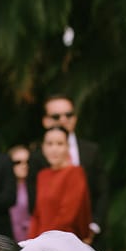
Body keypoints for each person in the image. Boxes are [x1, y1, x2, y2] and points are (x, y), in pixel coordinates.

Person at [27, 94, 108, 243]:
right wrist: (33, 242)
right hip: (43, 240)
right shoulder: (40, 167)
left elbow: (100, 193)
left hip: (73, 239)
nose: (64, 120)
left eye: (68, 115)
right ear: (46, 120)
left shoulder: (84, 161)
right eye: (57, 116)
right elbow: (36, 210)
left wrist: (93, 227)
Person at [27, 126, 92, 240]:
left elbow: (67, 217)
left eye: (60, 144)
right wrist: (31, 242)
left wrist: (44, 242)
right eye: (49, 144)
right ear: (43, 147)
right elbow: (37, 214)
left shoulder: (75, 173)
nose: (54, 149)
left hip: (63, 242)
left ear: (68, 147)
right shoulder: (42, 175)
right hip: (41, 243)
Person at [8, 144, 31, 241]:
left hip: (30, 241)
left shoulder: (37, 186)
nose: (24, 165)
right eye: (18, 162)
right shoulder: (4, 188)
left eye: (27, 161)